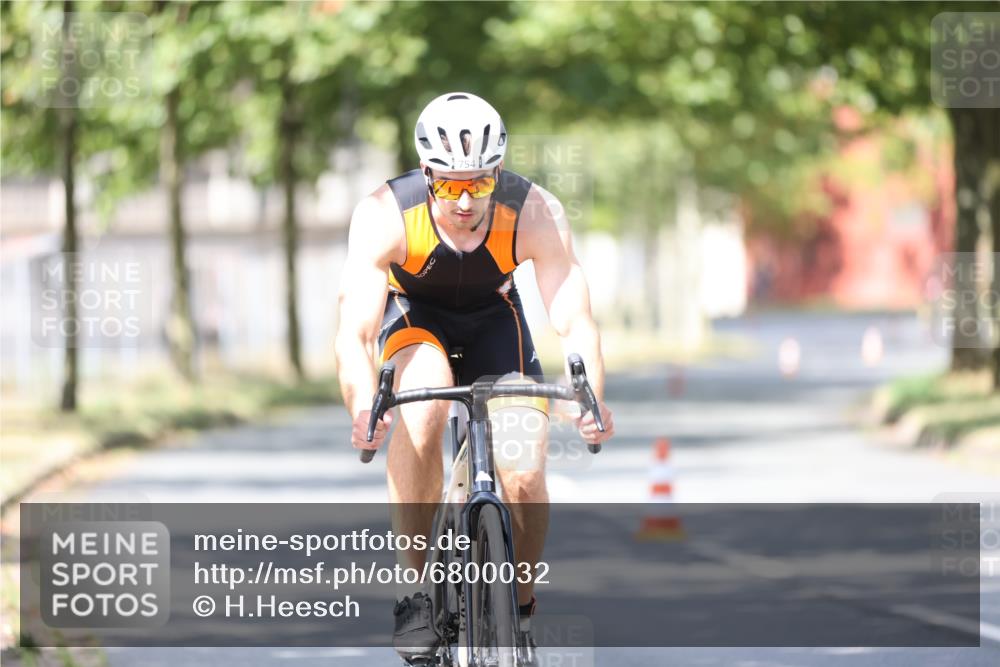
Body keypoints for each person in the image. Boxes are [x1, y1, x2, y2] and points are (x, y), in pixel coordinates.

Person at [334, 92, 615, 665]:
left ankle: (523, 607)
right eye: (449, 185)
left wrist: (589, 398)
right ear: (427, 173)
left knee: (525, 471)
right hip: (415, 321)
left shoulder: (535, 211)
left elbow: (575, 320)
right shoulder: (384, 214)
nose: (464, 201)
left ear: (498, 174)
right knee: (422, 406)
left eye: (480, 185)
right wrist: (365, 406)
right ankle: (416, 591)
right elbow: (355, 334)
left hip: (494, 323)